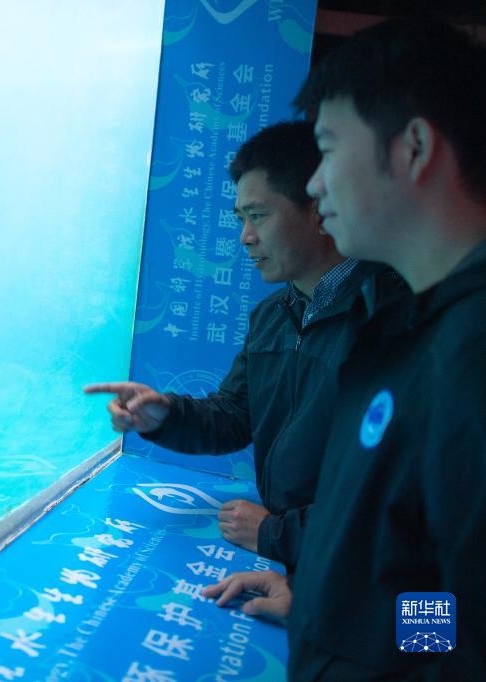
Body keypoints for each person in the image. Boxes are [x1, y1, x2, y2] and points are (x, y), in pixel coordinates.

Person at [204, 16, 486, 680]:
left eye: (328, 151)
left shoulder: (468, 357)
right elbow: (426, 578)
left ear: (414, 148)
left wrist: (359, 628)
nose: (314, 185)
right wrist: (323, 603)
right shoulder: (425, 330)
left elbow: (468, 633)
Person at [84, 121, 397, 570]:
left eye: (258, 215)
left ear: (319, 206)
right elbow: (235, 415)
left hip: (349, 567)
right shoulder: (272, 315)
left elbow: (394, 491)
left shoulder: (388, 315)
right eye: (240, 218)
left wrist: (277, 535)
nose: (245, 236)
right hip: (301, 555)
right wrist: (165, 415)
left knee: (421, 624)